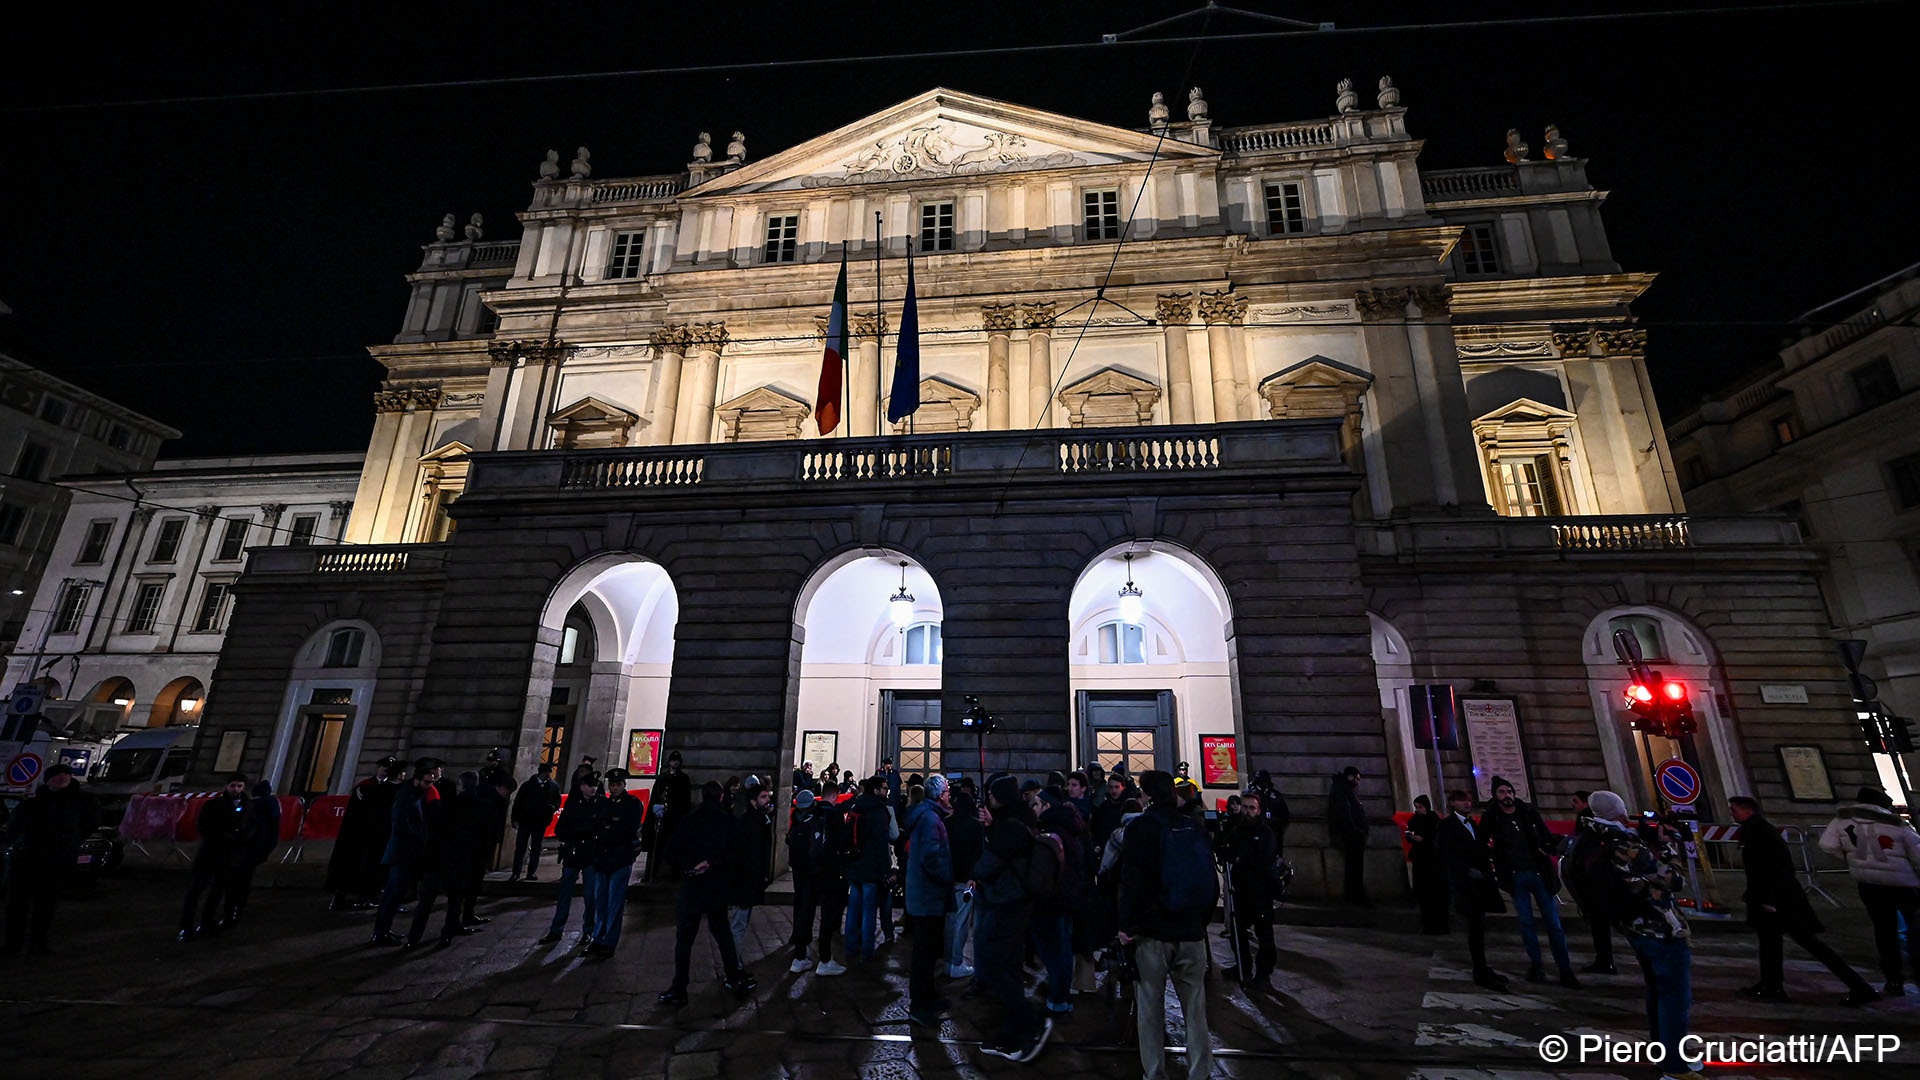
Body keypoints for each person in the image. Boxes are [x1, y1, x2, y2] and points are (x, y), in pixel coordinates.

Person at [1731, 795, 1878, 1005]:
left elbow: (1776, 869)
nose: (1732, 814)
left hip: (1780, 901)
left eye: (1734, 810)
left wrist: (1769, 899)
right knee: (1770, 944)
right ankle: (1771, 985)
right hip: (1774, 898)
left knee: (1810, 945)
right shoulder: (1757, 831)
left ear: (1748, 811)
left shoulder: (1761, 833)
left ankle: (1859, 987)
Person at [1584, 791, 1692, 1074]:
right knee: (1674, 997)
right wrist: (1670, 850)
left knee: (1657, 990)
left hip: (1634, 925)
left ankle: (1665, 1051)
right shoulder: (1625, 843)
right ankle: (1674, 1065)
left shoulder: (1597, 837)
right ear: (1619, 812)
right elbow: (1674, 880)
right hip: (1657, 926)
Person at [1117, 769, 1214, 1080]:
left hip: (1152, 933)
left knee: (1149, 1010)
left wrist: (1125, 924)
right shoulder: (1194, 826)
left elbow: (1131, 882)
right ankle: (1200, 1072)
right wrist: (1201, 921)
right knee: (1196, 1011)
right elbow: (1209, 881)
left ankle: (1155, 1073)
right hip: (1191, 931)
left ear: (1145, 795)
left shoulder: (1140, 828)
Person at [972, 773, 1051, 1063]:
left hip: (1006, 903)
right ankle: (1010, 1036)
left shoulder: (1008, 829)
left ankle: (1030, 1021)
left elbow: (987, 866)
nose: (988, 801)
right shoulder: (1023, 819)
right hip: (1020, 902)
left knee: (993, 966)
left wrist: (978, 862)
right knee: (1010, 968)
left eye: (991, 796)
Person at [1818, 786, 1920, 996]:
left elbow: (1827, 844)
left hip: (1869, 883)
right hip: (1902, 883)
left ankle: (1894, 979)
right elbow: (1918, 854)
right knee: (1914, 928)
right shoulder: (1897, 824)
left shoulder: (1842, 820)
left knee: (1884, 931)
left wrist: (1850, 859)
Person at [659, 782, 753, 1006]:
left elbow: (670, 851)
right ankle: (733, 977)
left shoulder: (690, 820)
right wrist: (711, 864)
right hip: (716, 887)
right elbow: (736, 853)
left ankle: (679, 987)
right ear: (721, 797)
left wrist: (688, 867)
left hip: (692, 886)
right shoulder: (727, 821)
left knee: (684, 941)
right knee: (723, 935)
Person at [1483, 777, 1577, 987]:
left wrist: (1550, 846)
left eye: (1509, 791)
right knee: (1526, 923)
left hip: (1538, 874)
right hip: (1515, 875)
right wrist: (1494, 860)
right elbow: (1483, 842)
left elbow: (1545, 835)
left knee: (1554, 924)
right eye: (1501, 792)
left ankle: (1565, 969)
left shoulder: (1528, 813)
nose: (1507, 795)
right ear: (1495, 796)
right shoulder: (1492, 817)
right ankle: (1537, 966)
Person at [1, 763, 99, 956]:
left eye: (66, 774)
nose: (63, 777)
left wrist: (70, 841)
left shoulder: (81, 801)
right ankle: (14, 944)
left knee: (44, 905)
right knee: (17, 905)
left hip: (54, 860)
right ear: (48, 780)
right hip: (27, 859)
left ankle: (37, 944)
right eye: (58, 775)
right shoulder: (34, 801)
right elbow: (15, 826)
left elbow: (90, 824)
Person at [1438, 789, 1507, 990]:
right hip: (1464, 883)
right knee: (1474, 927)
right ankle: (1480, 970)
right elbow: (1445, 853)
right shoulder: (1446, 825)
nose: (1468, 804)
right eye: (1462, 801)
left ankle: (1483, 967)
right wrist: (1466, 870)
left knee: (1479, 926)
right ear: (1452, 803)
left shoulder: (1473, 824)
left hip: (1479, 881)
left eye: (1468, 800)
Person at [408, 771, 485, 949]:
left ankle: (413, 937)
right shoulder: (480, 807)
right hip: (461, 861)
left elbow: (432, 835)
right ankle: (446, 935)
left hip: (438, 859)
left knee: (426, 902)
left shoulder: (443, 808)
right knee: (455, 901)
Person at [901, 774, 955, 1027]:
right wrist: (947, 876)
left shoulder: (926, 816)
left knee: (929, 951)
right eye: (946, 791)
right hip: (927, 896)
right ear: (938, 794)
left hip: (925, 895)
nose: (949, 795)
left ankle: (928, 996)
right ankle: (919, 1005)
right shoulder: (931, 819)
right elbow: (931, 857)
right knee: (924, 953)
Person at [1032, 785, 1090, 1015]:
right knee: (1062, 949)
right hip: (1067, 898)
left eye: (1037, 803)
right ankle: (1060, 995)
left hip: (1052, 900)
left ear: (1047, 806)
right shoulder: (1069, 829)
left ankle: (1058, 999)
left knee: (1055, 950)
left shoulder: (1050, 832)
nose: (1033, 808)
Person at [372, 758, 440, 946]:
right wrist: (420, 839)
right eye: (427, 782)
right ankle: (380, 933)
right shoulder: (406, 796)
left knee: (394, 894)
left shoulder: (415, 795)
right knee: (392, 893)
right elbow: (402, 824)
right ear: (417, 779)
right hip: (402, 852)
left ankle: (382, 931)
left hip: (406, 852)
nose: (430, 785)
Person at [179, 774, 254, 942]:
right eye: (233, 786)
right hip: (210, 854)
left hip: (229, 856)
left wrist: (243, 838)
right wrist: (228, 837)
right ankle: (186, 927)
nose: (236, 789)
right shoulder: (213, 805)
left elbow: (251, 825)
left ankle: (207, 922)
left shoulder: (248, 805)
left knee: (217, 892)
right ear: (227, 786)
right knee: (196, 891)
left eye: (239, 786)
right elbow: (204, 827)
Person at [584, 767, 645, 957]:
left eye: (618, 784)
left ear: (624, 784)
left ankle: (609, 941)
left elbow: (626, 830)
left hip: (620, 858)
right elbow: (595, 826)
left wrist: (608, 828)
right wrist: (608, 827)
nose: (615, 787)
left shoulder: (633, 804)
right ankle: (597, 938)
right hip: (603, 859)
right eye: (612, 784)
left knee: (615, 903)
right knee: (600, 901)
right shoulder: (605, 803)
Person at [1222, 787, 1279, 987]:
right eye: (1245, 807)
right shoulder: (1236, 831)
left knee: (1265, 935)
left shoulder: (1265, 833)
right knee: (1237, 932)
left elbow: (1263, 859)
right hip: (1240, 890)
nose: (1247, 811)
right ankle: (1242, 966)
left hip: (1260, 891)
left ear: (1259, 810)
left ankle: (1264, 974)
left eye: (1251, 808)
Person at [327, 756, 400, 910]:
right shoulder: (365, 786)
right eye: (383, 766)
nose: (385, 770)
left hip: (374, 836)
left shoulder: (388, 788)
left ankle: (365, 895)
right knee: (349, 866)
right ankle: (341, 897)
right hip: (358, 834)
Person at [786, 788, 847, 974]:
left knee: (805, 912)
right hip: (826, 871)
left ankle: (799, 957)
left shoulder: (797, 819)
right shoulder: (827, 815)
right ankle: (825, 958)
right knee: (827, 915)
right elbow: (841, 841)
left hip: (803, 872)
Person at [540, 770, 604, 945]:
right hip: (573, 852)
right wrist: (581, 831)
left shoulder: (600, 804)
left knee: (590, 896)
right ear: (582, 786)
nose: (593, 789)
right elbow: (561, 829)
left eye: (595, 786)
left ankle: (588, 930)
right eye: (590, 785)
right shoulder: (573, 804)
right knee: (564, 894)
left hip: (590, 854)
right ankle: (556, 929)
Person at [1563, 792, 1619, 975]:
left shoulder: (1586, 821)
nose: (1573, 805)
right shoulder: (1605, 824)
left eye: (1575, 801)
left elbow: (1581, 849)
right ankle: (1606, 959)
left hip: (1592, 882)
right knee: (1602, 922)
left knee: (1599, 922)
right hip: (1601, 881)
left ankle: (1605, 960)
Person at [840, 775, 893, 967]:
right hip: (870, 867)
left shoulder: (856, 806)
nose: (887, 791)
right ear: (877, 790)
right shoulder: (878, 812)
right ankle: (867, 951)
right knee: (869, 911)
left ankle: (851, 946)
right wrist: (886, 869)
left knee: (853, 908)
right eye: (885, 788)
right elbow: (881, 843)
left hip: (854, 864)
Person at [225, 779, 281, 926]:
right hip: (254, 847)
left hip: (239, 847)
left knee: (234, 878)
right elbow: (275, 823)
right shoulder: (270, 803)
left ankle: (229, 910)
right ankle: (236, 909)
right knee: (244, 878)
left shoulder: (248, 804)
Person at [728, 782, 774, 955]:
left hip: (750, 879)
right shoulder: (749, 822)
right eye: (763, 797)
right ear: (753, 801)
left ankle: (734, 963)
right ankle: (733, 966)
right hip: (744, 880)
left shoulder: (759, 819)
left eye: (767, 796)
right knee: (738, 924)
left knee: (741, 922)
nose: (768, 799)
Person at [945, 783, 982, 979]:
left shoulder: (947, 823)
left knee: (950, 921)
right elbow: (978, 854)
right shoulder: (976, 826)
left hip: (948, 879)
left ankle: (948, 960)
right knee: (962, 922)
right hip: (967, 882)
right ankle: (955, 961)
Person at [508, 764, 562, 882]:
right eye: (545, 773)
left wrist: (553, 808)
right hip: (526, 820)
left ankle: (531, 872)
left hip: (540, 821)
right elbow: (518, 803)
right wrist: (515, 819)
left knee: (536, 848)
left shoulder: (553, 786)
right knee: (520, 848)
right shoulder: (528, 786)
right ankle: (516, 872)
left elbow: (557, 800)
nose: (547, 775)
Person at [644, 751, 691, 882]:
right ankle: (651, 873)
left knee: (674, 847)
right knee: (657, 848)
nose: (675, 762)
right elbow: (655, 797)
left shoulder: (683, 779)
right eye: (673, 760)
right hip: (661, 818)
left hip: (674, 818)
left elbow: (685, 800)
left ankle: (675, 875)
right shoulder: (661, 778)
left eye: (677, 760)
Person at [1404, 795, 1449, 934]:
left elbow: (1437, 837)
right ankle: (1428, 924)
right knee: (1423, 894)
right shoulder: (1414, 819)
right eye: (1416, 807)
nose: (1418, 810)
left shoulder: (1434, 819)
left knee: (1437, 893)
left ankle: (1441, 925)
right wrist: (1411, 836)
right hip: (1420, 859)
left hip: (1433, 860)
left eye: (1420, 807)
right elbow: (1409, 831)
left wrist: (1423, 839)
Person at [1327, 766, 1369, 906]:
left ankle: (1354, 894)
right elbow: (1345, 814)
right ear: (1351, 776)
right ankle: (1355, 895)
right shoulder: (1343, 790)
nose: (1358, 782)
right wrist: (1357, 831)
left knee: (1354, 866)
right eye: (1357, 778)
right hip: (1352, 836)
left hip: (1352, 834)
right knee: (1355, 866)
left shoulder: (1344, 789)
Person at [1248, 769, 1290, 853]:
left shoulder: (1275, 795)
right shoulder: (1251, 794)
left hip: (1273, 830)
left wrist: (1277, 823)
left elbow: (1284, 815)